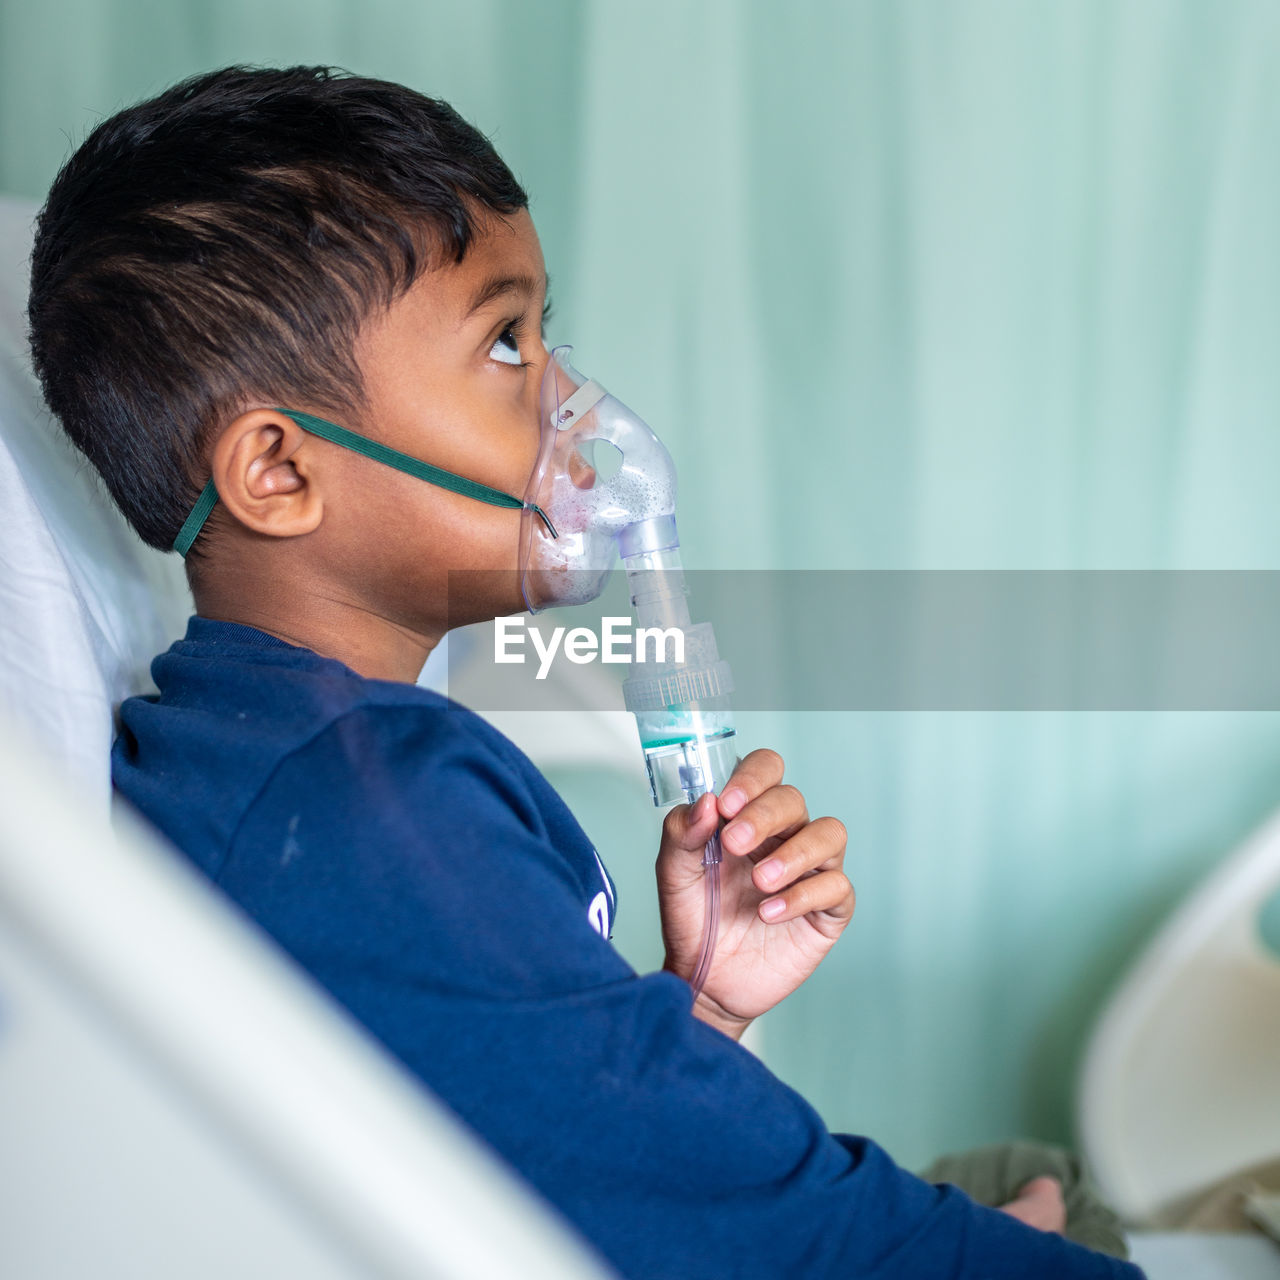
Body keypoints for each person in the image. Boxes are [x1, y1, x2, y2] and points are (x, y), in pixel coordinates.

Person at [26, 65, 1142, 1279]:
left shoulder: (247, 750)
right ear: (280, 474)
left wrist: (696, 1009)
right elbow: (761, 1223)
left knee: (1006, 1180)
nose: (572, 403)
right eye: (504, 344)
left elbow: (531, 1130)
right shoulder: (371, 798)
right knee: (1056, 1194)